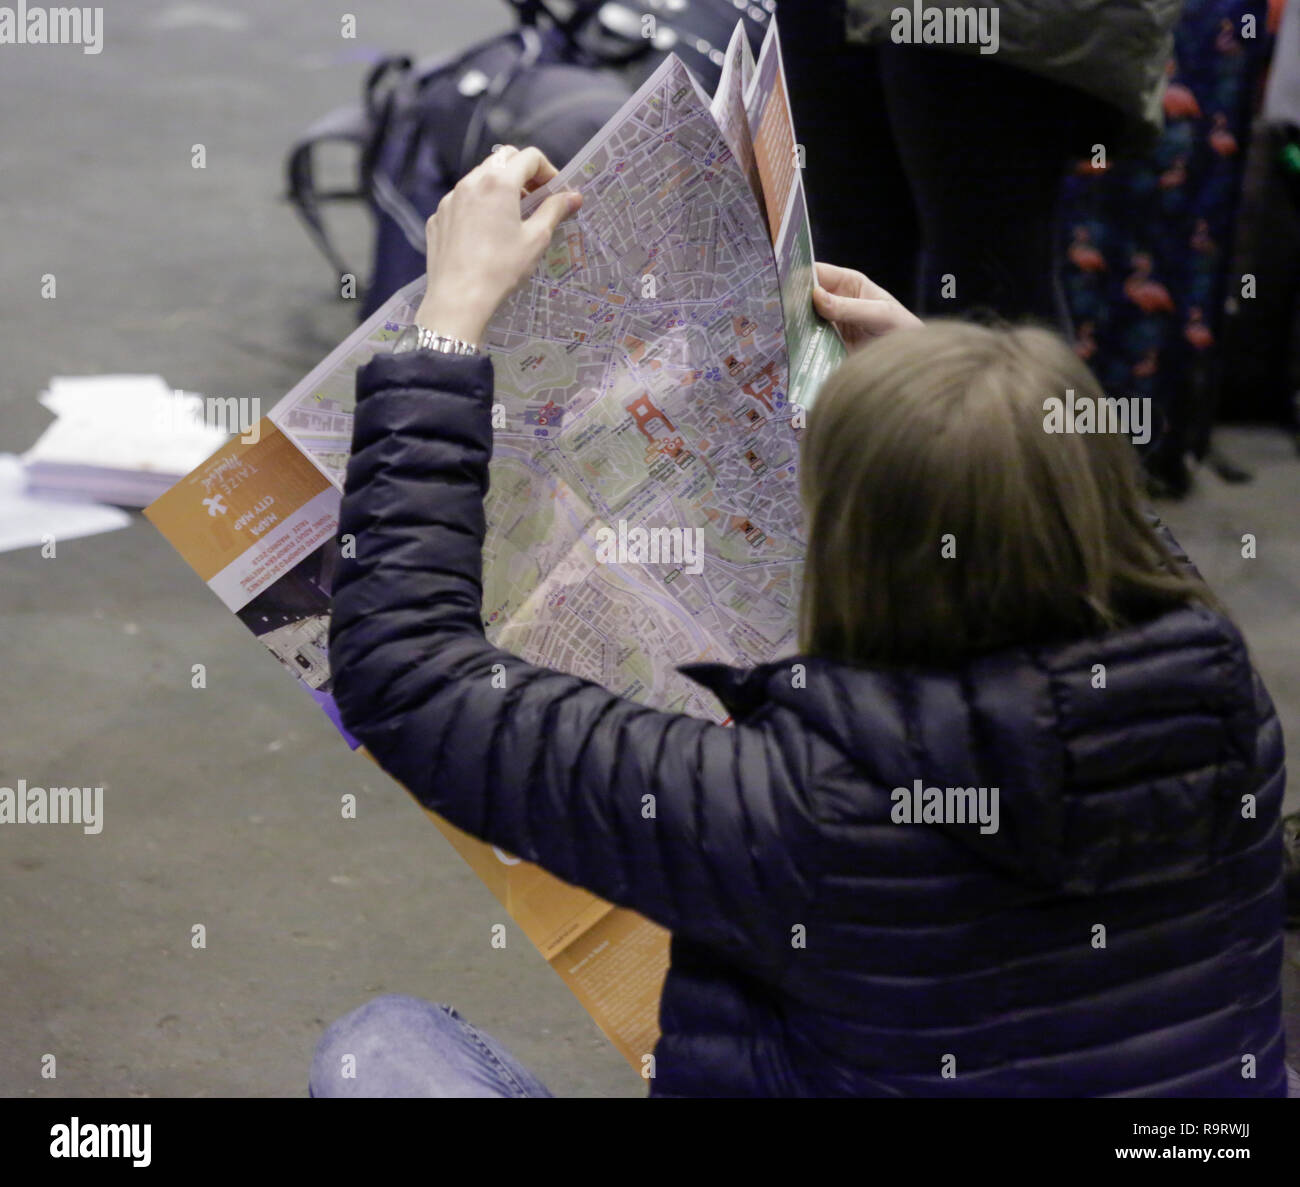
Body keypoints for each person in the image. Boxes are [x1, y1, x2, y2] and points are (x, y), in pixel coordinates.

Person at [313, 146, 1291, 1098]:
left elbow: (409, 676)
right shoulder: (1224, 700)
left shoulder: (796, 807)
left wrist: (447, 328)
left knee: (379, 1049)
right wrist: (970, 407)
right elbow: (1133, 554)